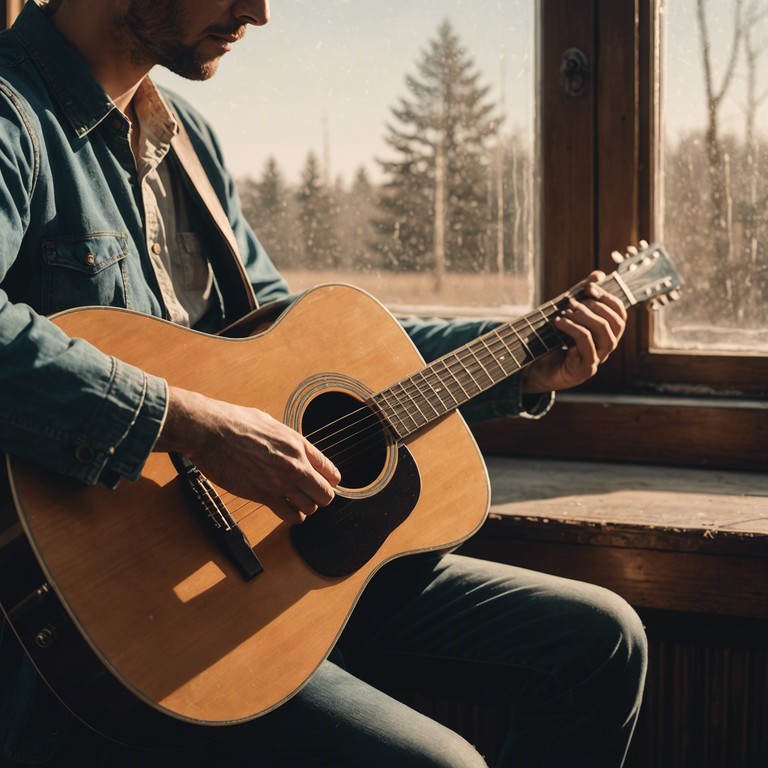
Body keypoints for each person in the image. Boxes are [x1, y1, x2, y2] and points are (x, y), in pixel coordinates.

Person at [0, 1, 647, 766]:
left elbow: (312, 353)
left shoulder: (188, 145)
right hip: (122, 625)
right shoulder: (15, 118)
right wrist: (196, 426)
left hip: (270, 564)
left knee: (604, 641)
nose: (259, 12)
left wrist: (519, 360)